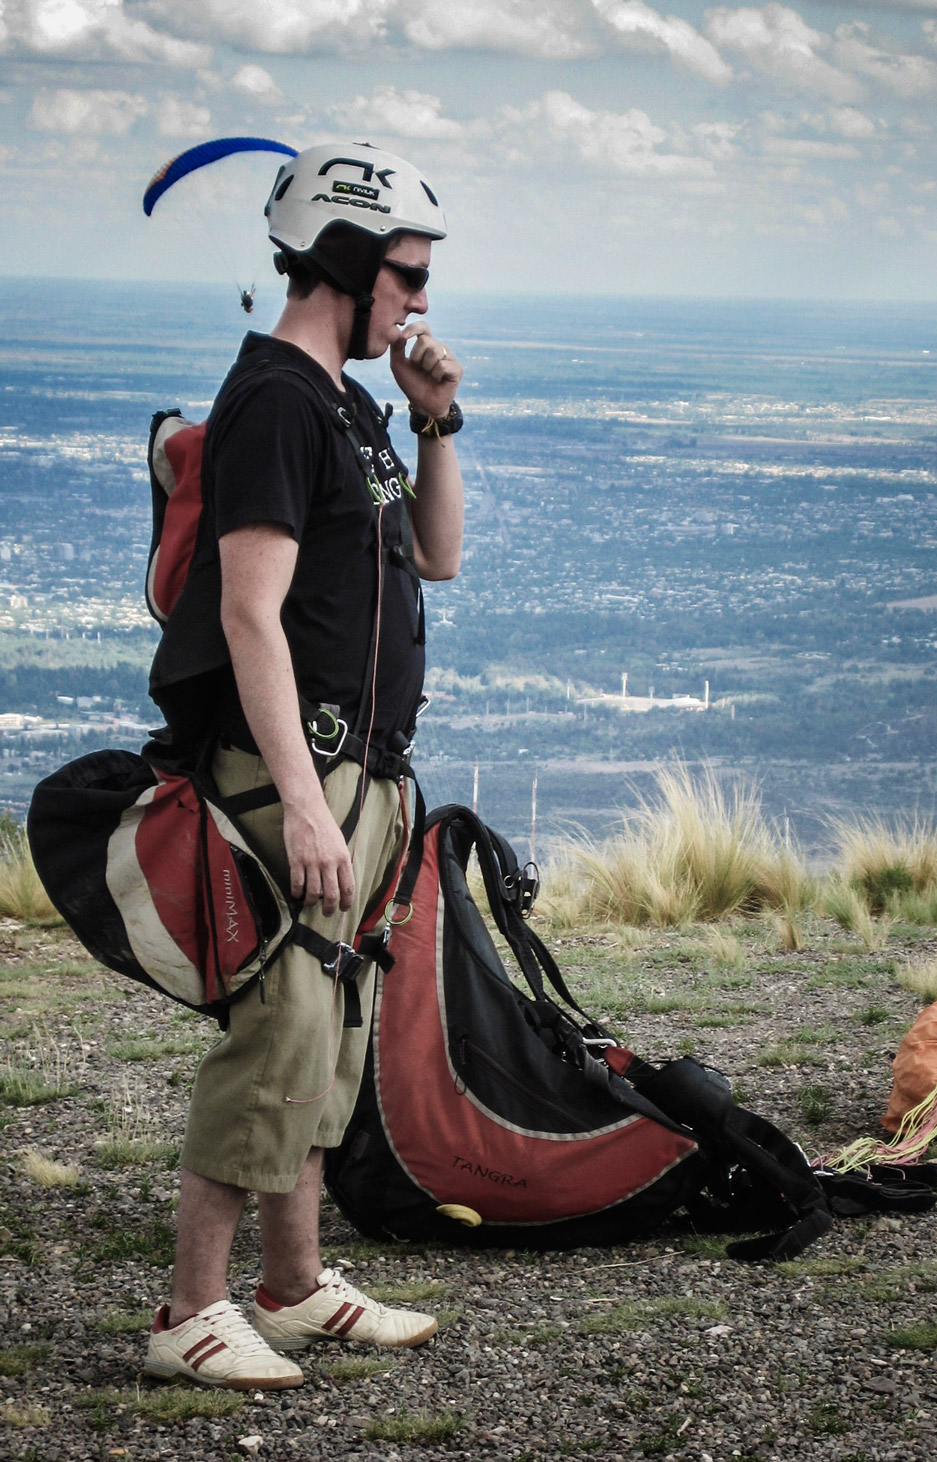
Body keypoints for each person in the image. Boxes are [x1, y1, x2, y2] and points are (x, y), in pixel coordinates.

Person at [143, 142, 464, 1391]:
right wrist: (295, 800)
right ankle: (190, 1309)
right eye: (404, 271)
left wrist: (435, 420)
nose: (419, 297)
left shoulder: (348, 401)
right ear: (339, 255)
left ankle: (290, 1285)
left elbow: (434, 556)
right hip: (298, 778)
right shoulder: (277, 398)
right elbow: (246, 613)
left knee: (326, 1032)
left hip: (358, 775)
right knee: (278, 1029)